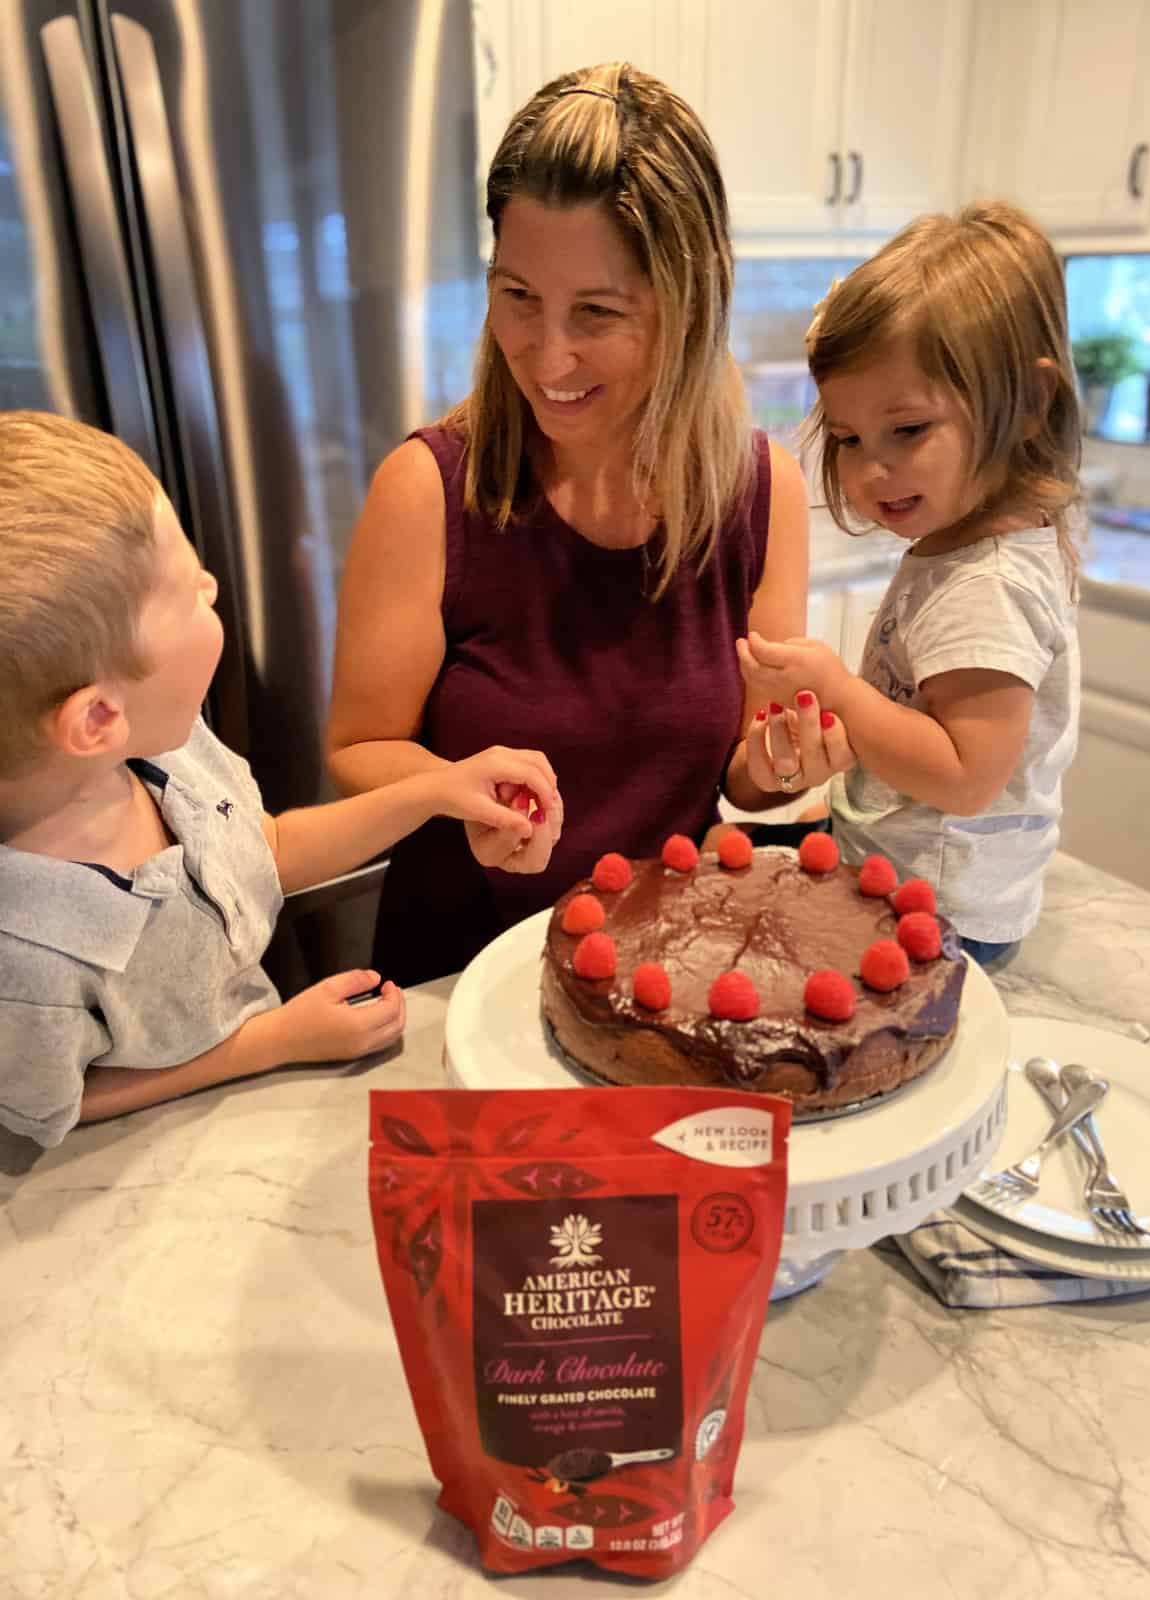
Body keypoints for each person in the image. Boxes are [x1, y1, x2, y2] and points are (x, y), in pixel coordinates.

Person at [327, 61, 851, 985]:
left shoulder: (761, 492)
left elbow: (734, 771)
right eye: (517, 296)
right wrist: (458, 795)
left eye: (598, 313)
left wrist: (774, 769)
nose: (548, 353)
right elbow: (355, 748)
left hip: (662, 980)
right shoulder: (428, 490)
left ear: (690, 309)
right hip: (458, 979)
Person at [0, 412, 557, 1147]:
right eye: (186, 592)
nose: (211, 582)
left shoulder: (162, 753)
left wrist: (432, 791)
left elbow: (269, 845)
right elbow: (56, 1104)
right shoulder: (24, 961)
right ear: (97, 719)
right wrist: (269, 1042)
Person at [737, 202, 1081, 965]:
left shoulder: (988, 585)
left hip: (945, 916)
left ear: (1028, 404)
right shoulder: (956, 550)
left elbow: (965, 779)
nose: (870, 470)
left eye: (909, 430)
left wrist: (838, 690)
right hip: (901, 882)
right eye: (851, 438)